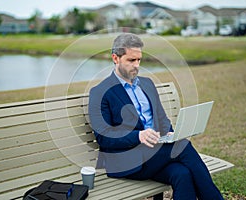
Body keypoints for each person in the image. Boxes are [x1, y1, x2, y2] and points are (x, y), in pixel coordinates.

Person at [88, 33, 224, 200]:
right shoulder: (99, 93)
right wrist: (139, 135)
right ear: (115, 58)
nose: (136, 65)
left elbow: (162, 119)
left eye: (139, 60)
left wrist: (169, 134)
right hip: (126, 159)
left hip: (156, 153)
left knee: (182, 173)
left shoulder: (147, 84)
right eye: (131, 60)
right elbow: (104, 137)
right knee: (182, 146)